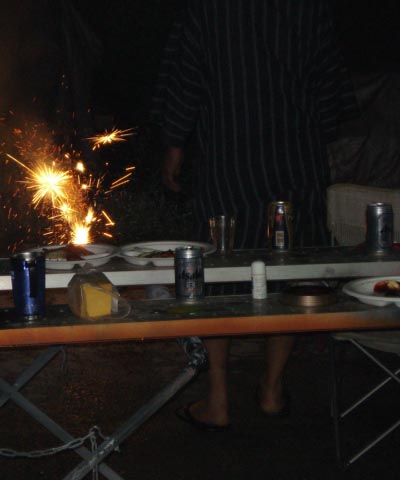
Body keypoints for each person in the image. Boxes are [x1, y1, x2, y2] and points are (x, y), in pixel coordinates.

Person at [152, 0, 358, 429]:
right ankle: (271, 388)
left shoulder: (208, 8)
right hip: (294, 152)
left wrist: (175, 143)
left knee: (219, 267)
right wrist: (318, 137)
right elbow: (329, 85)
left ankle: (219, 398)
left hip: (229, 154)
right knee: (289, 266)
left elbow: (187, 78)